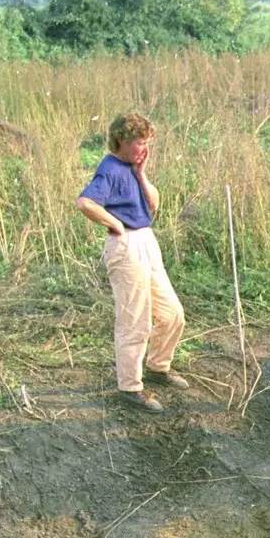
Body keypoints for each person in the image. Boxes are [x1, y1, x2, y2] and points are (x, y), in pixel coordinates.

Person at [75, 112, 187, 413]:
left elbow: (154, 203)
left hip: (147, 241)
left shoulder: (131, 168)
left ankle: (158, 367)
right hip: (126, 247)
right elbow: (85, 202)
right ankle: (130, 388)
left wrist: (141, 172)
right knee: (134, 321)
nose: (145, 149)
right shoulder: (110, 169)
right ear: (122, 141)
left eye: (147, 143)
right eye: (140, 143)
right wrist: (116, 224)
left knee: (172, 313)